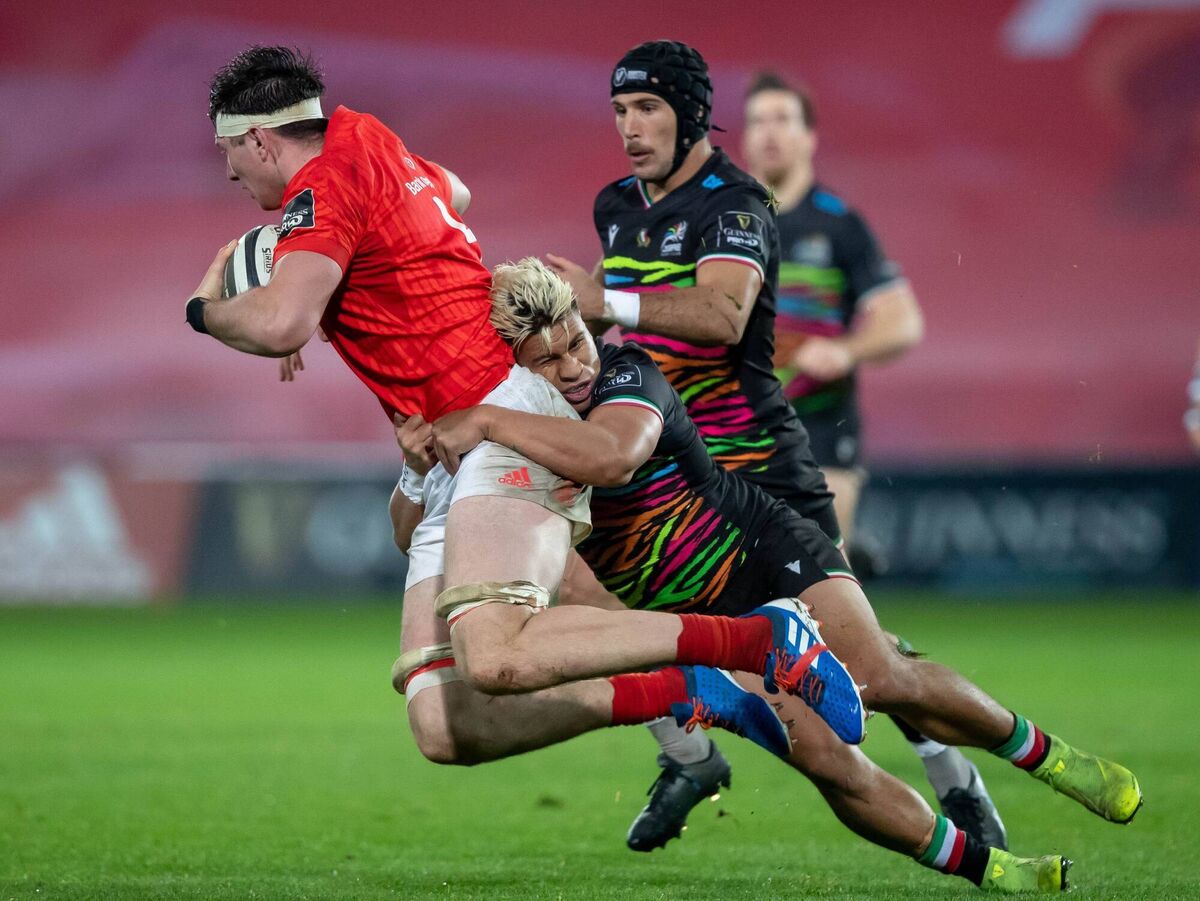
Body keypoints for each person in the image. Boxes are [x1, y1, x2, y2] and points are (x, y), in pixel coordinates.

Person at [186, 47, 864, 759]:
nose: (229, 171)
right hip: (450, 439)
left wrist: (207, 310)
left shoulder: (323, 187)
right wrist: (315, 286)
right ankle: (682, 695)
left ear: (259, 139)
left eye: (229, 152)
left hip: (498, 411)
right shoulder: (369, 138)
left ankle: (757, 640)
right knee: (447, 727)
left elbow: (279, 326)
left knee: (498, 655)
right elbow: (454, 193)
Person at [394, 257, 1079, 892]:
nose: (575, 366)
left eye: (577, 341)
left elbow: (612, 456)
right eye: (549, 359)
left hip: (753, 559)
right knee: (831, 764)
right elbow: (411, 532)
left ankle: (1037, 762)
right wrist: (418, 469)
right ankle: (999, 872)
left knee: (879, 676)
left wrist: (488, 421)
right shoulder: (511, 426)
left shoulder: (624, 376)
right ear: (516, 367)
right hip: (695, 622)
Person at [545, 39, 1001, 851]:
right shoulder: (620, 205)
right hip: (680, 460)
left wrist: (843, 351)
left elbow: (858, 319)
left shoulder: (799, 218)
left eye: (646, 108)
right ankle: (688, 753)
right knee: (613, 608)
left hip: (778, 451)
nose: (629, 126)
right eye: (619, 110)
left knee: (848, 656)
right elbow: (610, 308)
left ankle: (950, 770)